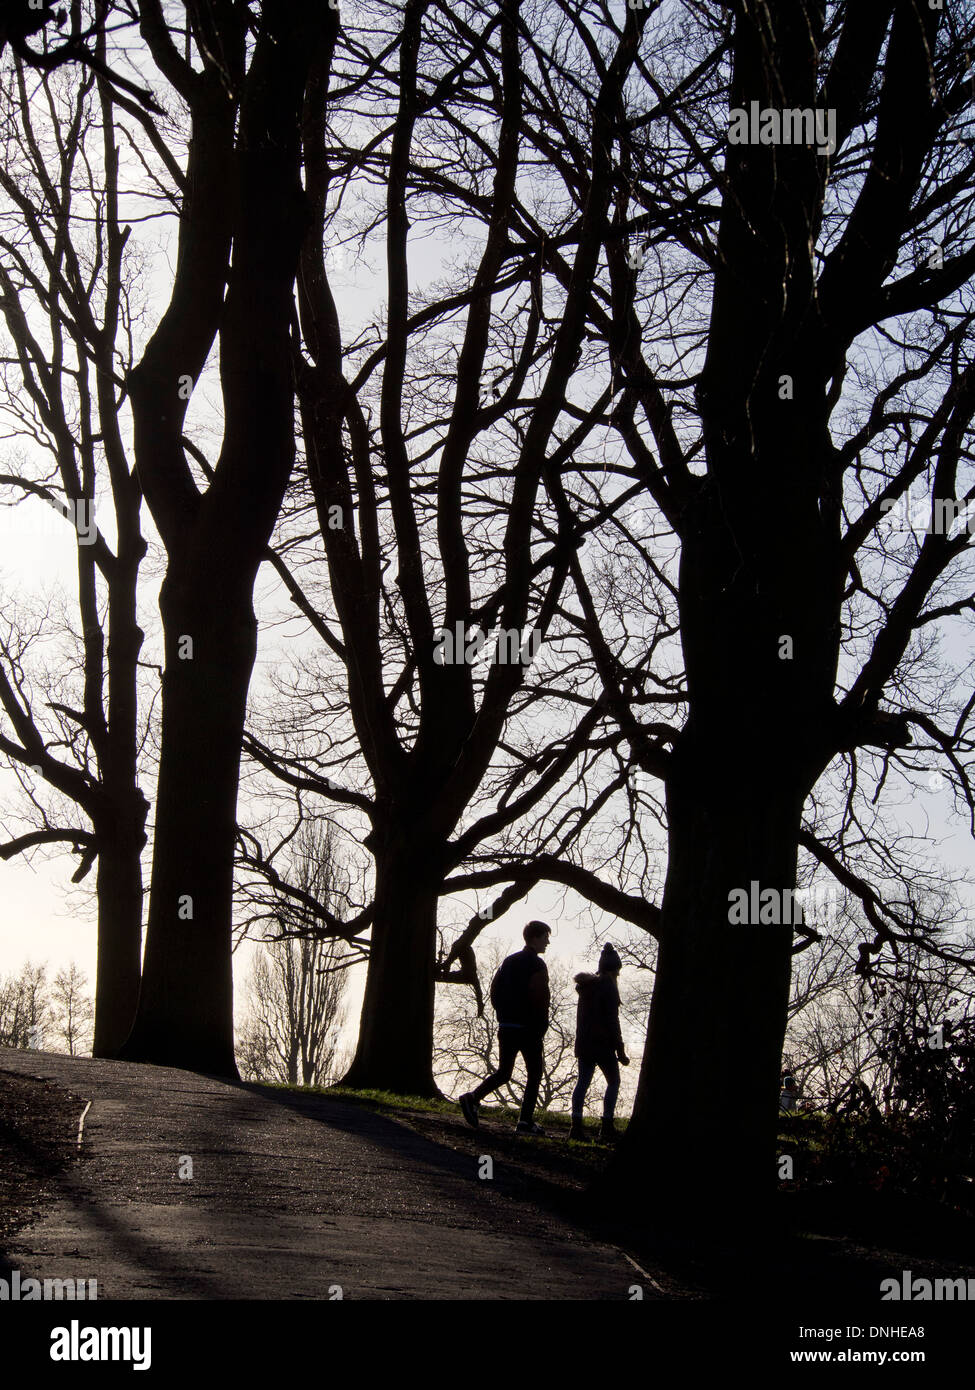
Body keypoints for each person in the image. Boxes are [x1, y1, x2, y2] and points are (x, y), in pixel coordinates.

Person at [459, 921, 551, 1135]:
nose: (548, 941)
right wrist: (541, 1024)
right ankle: (525, 1121)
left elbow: (494, 990)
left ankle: (472, 1098)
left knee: (503, 1072)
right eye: (545, 937)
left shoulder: (508, 962)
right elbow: (540, 996)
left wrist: (503, 1013)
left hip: (506, 1026)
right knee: (535, 1073)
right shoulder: (537, 965)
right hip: (528, 1028)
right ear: (535, 938)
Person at [570, 944, 629, 1143]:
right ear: (615, 970)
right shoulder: (609, 986)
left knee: (582, 1083)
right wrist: (620, 1050)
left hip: (585, 1044)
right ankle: (606, 1126)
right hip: (603, 1045)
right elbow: (613, 1021)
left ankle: (575, 1126)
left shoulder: (587, 987)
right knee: (613, 1082)